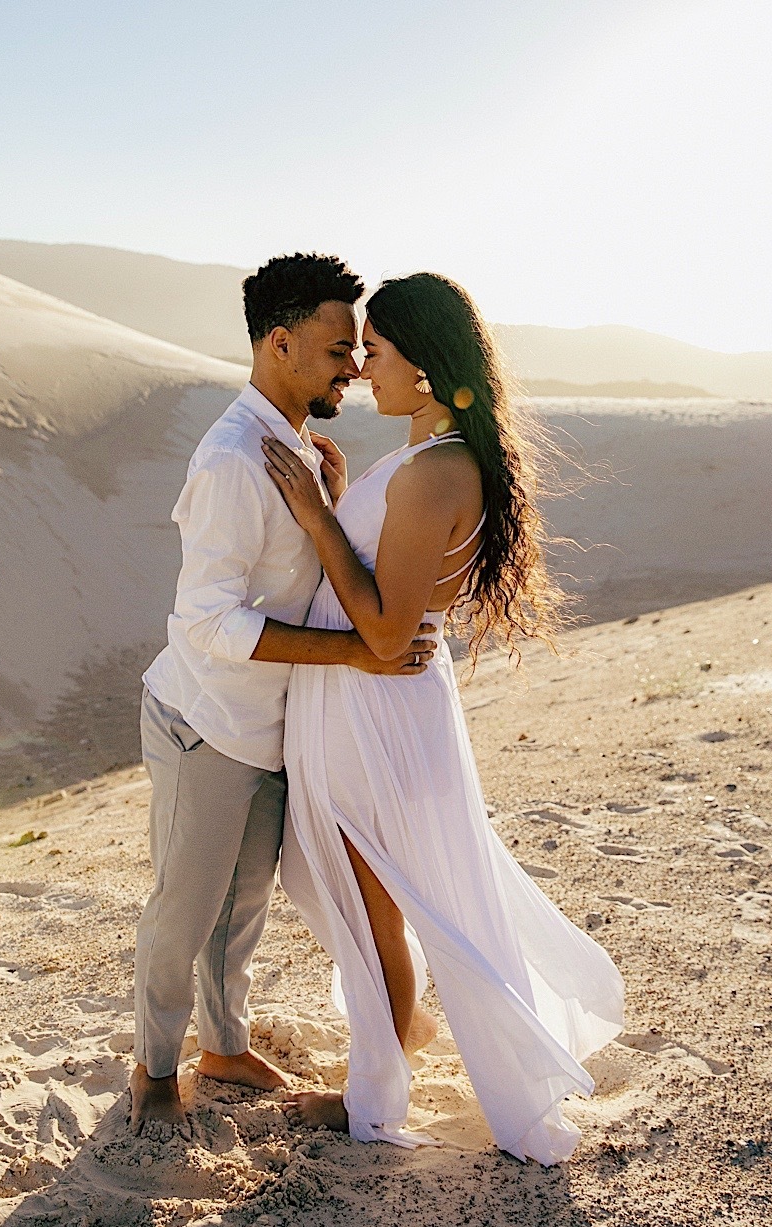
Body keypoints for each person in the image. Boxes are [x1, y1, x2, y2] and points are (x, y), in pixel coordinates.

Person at [261, 272, 625, 1165]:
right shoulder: (424, 461)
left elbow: (385, 632)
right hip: (371, 704)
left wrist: (313, 516)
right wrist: (344, 496)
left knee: (372, 897)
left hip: (372, 704)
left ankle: (374, 1091)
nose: (360, 371)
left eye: (374, 353)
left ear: (421, 367)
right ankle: (394, 1041)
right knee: (366, 890)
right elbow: (387, 576)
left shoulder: (434, 471)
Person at [130, 253, 437, 1134]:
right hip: (207, 722)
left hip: (269, 724)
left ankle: (223, 1049)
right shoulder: (233, 458)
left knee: (244, 907)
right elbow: (208, 624)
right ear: (279, 343)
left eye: (356, 348)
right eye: (340, 346)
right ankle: (153, 1069)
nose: (353, 363)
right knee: (184, 910)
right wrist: (355, 654)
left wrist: (330, 509)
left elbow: (293, 577)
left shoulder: (296, 443)